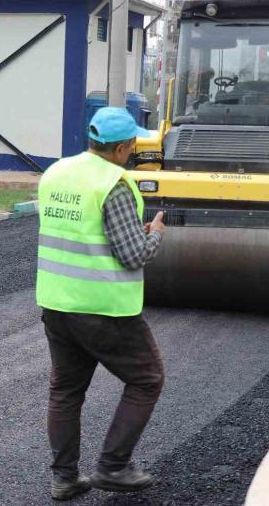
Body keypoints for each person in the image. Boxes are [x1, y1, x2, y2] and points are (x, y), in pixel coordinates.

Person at [36, 107, 166, 501]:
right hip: (104, 308)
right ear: (123, 147)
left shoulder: (56, 173)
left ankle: (64, 478)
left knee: (66, 390)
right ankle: (113, 466)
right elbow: (131, 255)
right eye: (132, 147)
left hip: (57, 302)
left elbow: (79, 231)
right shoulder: (115, 183)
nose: (132, 153)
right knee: (147, 379)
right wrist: (155, 233)